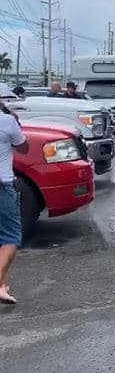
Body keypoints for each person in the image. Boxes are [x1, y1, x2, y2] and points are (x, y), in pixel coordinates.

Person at [0, 99, 28, 304]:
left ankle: (2, 285)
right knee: (10, 237)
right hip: (3, 185)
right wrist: (15, 123)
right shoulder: (7, 121)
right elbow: (24, 147)